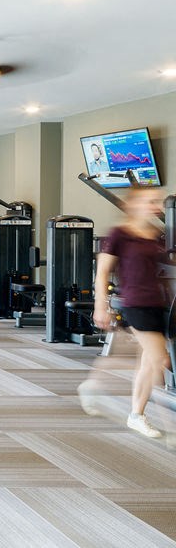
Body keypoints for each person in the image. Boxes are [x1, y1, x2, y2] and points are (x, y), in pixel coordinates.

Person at [87, 185, 170, 438]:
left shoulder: (155, 234)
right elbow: (102, 272)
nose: (154, 206)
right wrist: (101, 305)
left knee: (147, 360)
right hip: (134, 302)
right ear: (133, 205)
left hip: (157, 302)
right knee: (159, 359)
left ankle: (102, 388)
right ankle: (135, 413)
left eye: (156, 202)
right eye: (149, 201)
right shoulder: (119, 234)